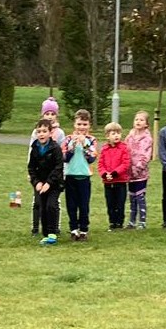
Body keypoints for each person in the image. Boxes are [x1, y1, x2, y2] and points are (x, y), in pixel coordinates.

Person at [30, 97, 67, 235]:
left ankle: (53, 230)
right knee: (40, 205)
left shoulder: (55, 147)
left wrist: (49, 183)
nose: (41, 134)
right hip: (40, 180)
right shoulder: (35, 147)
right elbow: (31, 166)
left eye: (44, 131)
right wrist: (36, 181)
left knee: (52, 205)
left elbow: (58, 166)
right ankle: (44, 232)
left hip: (54, 182)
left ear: (50, 133)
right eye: (39, 132)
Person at [62, 109, 98, 242]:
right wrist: (73, 145)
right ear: (74, 124)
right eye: (79, 124)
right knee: (71, 205)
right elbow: (65, 157)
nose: (81, 127)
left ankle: (83, 229)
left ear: (89, 125)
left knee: (84, 205)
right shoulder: (68, 139)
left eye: (84, 124)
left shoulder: (91, 140)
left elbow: (91, 158)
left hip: (84, 177)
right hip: (70, 176)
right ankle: (73, 229)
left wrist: (84, 145)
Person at [98, 122, 131, 230]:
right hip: (108, 182)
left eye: (118, 133)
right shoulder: (104, 149)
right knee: (110, 203)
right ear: (107, 136)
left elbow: (125, 163)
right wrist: (104, 174)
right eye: (113, 133)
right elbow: (100, 164)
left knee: (120, 203)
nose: (116, 135)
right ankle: (112, 222)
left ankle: (119, 222)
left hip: (120, 181)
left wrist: (114, 173)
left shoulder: (124, 148)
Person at [125, 111, 153, 229]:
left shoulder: (147, 139)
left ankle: (142, 221)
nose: (138, 122)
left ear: (146, 124)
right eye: (136, 119)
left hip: (141, 173)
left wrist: (138, 167)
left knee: (140, 196)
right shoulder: (129, 136)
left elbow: (146, 156)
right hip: (129, 173)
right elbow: (125, 151)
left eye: (141, 120)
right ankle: (132, 221)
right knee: (132, 197)